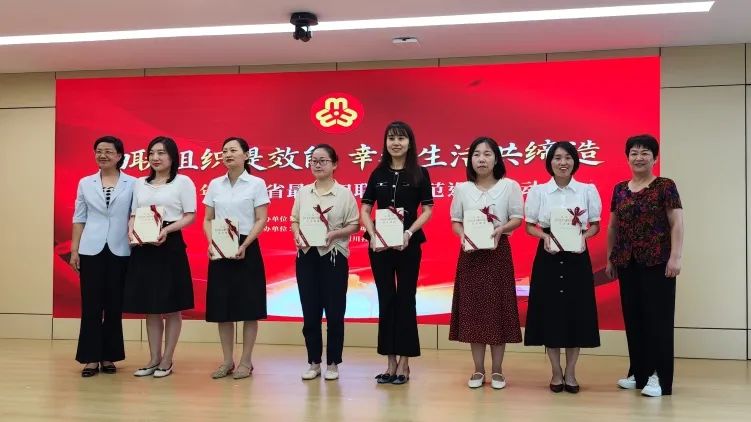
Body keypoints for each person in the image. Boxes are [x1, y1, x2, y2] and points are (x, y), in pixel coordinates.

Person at [606, 134, 684, 398]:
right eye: (634, 153)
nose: (639, 158)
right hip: (627, 262)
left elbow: (677, 222)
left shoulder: (665, 186)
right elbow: (613, 226)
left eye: (645, 153)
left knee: (657, 320)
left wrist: (676, 256)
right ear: (627, 158)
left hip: (658, 261)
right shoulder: (620, 189)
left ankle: (658, 376)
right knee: (634, 318)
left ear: (655, 158)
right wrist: (610, 258)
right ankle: (638, 372)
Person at [524, 141, 602, 394]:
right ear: (550, 162)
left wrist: (584, 238)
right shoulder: (539, 192)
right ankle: (556, 371)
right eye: (557, 158)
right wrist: (544, 237)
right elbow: (530, 226)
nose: (563, 162)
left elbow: (595, 225)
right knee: (551, 314)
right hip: (548, 256)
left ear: (575, 161)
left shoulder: (586, 190)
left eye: (568, 157)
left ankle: (571, 372)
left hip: (577, 258)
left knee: (576, 313)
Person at [361, 121, 434, 385]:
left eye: (401, 138)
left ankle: (404, 362)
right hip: (379, 247)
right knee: (386, 300)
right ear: (385, 142)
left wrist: (409, 233)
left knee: (406, 299)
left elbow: (427, 210)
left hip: (408, 244)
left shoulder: (420, 173)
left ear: (410, 143)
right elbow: (365, 209)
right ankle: (390, 362)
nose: (396, 143)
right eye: (391, 138)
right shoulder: (377, 172)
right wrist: (372, 235)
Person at [448, 137, 523, 390]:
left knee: (498, 311)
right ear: (470, 160)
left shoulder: (509, 186)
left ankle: (498, 370)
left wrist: (502, 228)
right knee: (474, 311)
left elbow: (517, 218)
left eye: (487, 154)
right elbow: (456, 220)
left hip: (497, 253)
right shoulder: (462, 188)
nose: (482, 159)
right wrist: (462, 235)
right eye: (477, 154)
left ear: (496, 159)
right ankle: (478, 369)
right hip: (470, 255)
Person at [123, 136, 197, 378]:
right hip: (144, 245)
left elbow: (190, 215)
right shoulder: (140, 183)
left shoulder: (183, 182)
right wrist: (132, 231)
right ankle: (153, 358)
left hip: (169, 244)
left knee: (171, 306)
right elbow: (134, 213)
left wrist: (167, 230)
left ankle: (167, 359)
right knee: (151, 306)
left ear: (173, 157)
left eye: (161, 153)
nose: (155, 157)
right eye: (152, 153)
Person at [291, 144, 360, 381]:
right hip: (306, 255)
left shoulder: (344, 194)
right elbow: (294, 220)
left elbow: (354, 225)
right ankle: (314, 362)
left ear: (334, 164)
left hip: (333, 256)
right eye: (314, 161)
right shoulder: (303, 193)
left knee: (334, 312)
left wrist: (335, 234)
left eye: (323, 161)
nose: (317, 165)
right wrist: (297, 234)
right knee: (310, 312)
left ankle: (333, 363)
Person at [203, 137, 270, 380]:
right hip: (221, 246)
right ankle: (227, 361)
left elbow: (261, 218)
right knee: (223, 308)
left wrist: (245, 244)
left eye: (233, 150)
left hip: (246, 246)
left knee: (249, 307)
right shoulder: (215, 184)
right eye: (224, 151)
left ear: (246, 155)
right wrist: (211, 242)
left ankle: (246, 361)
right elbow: (207, 219)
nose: (228, 154)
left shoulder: (256, 183)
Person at [70, 136, 135, 377]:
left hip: (121, 249)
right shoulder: (85, 183)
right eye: (98, 151)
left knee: (114, 305)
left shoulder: (133, 183)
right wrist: (75, 249)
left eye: (108, 151)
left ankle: (109, 356)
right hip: (91, 249)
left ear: (119, 156)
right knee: (91, 305)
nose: (102, 155)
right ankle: (90, 358)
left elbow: (136, 215)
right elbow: (79, 217)